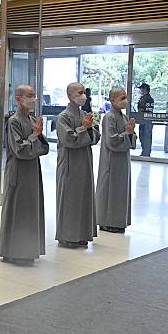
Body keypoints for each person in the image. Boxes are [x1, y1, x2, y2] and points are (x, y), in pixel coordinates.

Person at [0, 85, 49, 264]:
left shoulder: (32, 118)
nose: (33, 99)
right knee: (18, 210)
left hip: (32, 170)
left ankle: (28, 250)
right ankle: (14, 251)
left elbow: (44, 148)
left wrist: (38, 136)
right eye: (29, 96)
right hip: (18, 170)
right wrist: (35, 136)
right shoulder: (13, 121)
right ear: (18, 99)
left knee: (30, 209)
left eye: (34, 95)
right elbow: (19, 149)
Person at [55, 82, 101, 248]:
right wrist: (84, 128)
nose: (84, 96)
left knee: (83, 198)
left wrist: (88, 128)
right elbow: (68, 140)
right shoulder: (63, 117)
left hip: (85, 163)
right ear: (70, 95)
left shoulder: (85, 114)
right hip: (69, 163)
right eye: (80, 93)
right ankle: (67, 236)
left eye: (84, 92)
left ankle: (82, 234)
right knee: (70, 199)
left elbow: (96, 137)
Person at [96, 87, 137, 233]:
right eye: (121, 98)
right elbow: (111, 141)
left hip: (123, 160)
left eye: (125, 97)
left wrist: (130, 133)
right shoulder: (109, 117)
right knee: (110, 189)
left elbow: (131, 137)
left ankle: (119, 221)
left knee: (121, 190)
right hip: (111, 160)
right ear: (112, 100)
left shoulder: (125, 117)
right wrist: (127, 133)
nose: (125, 100)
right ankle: (106, 221)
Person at [137, 83, 154, 157]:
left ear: (145, 89)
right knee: (142, 136)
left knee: (146, 137)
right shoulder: (143, 98)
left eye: (142, 89)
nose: (141, 90)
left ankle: (146, 153)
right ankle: (145, 152)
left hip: (146, 121)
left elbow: (148, 110)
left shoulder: (149, 99)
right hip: (142, 120)